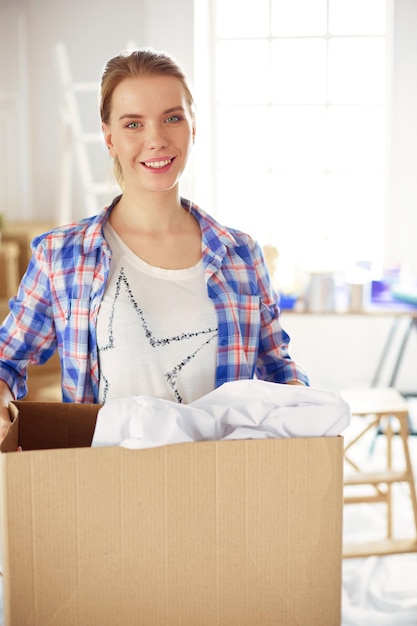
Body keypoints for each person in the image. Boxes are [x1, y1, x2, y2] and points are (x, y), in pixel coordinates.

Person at [0, 48, 309, 443]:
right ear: (109, 138)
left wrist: (308, 411)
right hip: (107, 490)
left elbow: (277, 372)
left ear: (193, 127)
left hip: (223, 489)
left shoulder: (240, 254)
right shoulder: (61, 256)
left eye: (172, 118)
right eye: (133, 124)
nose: (156, 139)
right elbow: (6, 359)